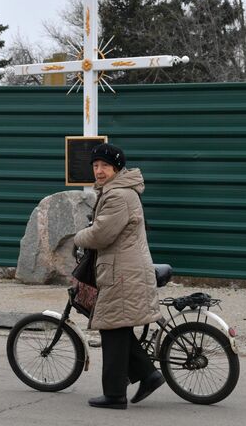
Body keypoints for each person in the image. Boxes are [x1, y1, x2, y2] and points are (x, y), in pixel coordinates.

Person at [74, 142, 165, 410]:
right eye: (96, 166)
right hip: (121, 268)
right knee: (118, 326)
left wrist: (77, 237)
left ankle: (115, 395)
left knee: (111, 327)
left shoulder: (118, 196)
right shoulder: (116, 191)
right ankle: (148, 375)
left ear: (117, 168)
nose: (99, 171)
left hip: (122, 272)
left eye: (105, 166)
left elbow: (102, 234)